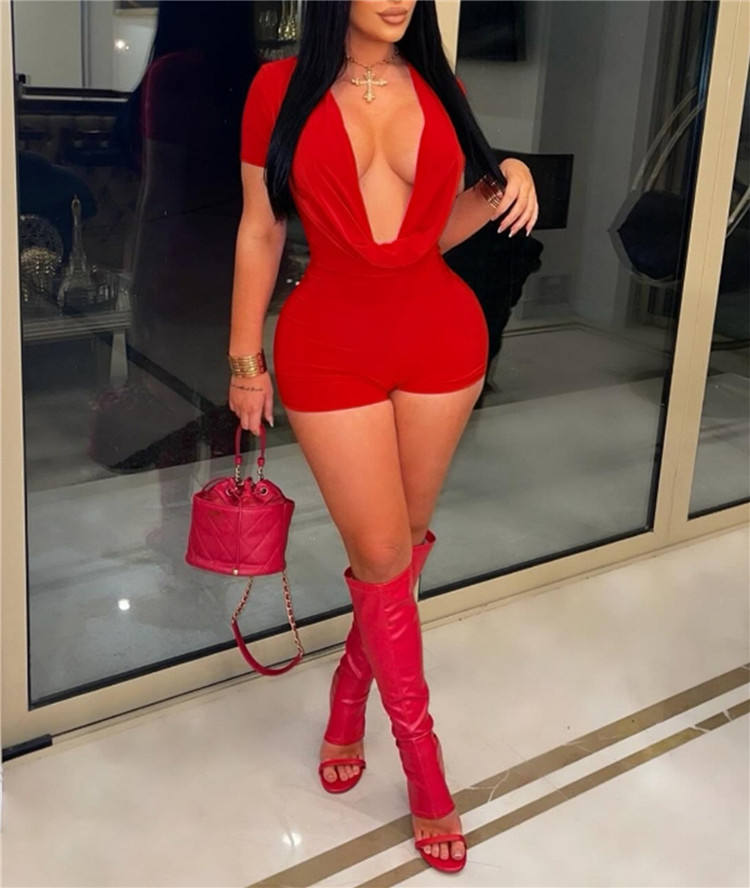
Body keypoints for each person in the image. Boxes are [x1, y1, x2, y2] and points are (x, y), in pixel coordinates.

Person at [229, 0, 538, 873]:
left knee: (399, 545)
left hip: (441, 337)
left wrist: (509, 176)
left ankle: (350, 687)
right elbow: (261, 227)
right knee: (379, 550)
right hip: (328, 345)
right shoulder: (277, 89)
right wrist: (245, 359)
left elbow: (431, 234)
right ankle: (423, 764)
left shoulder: (441, 87)